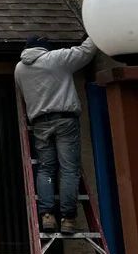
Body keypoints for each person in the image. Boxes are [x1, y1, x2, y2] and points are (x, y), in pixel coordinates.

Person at [15, 34, 97, 234]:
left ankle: (47, 216)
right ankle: (68, 218)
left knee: (46, 170)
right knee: (69, 169)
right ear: (45, 48)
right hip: (64, 120)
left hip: (40, 124)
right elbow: (85, 52)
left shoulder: (19, 69)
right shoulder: (56, 59)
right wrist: (95, 32)